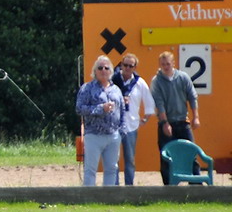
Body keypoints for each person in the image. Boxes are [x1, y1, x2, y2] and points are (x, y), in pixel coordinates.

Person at [150, 51, 201, 185]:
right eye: (163, 64)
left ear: (173, 63)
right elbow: (159, 103)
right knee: (167, 156)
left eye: (168, 64)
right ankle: (170, 188)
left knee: (191, 153)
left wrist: (196, 117)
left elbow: (192, 96)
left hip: (183, 121)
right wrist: (165, 123)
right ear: (159, 65)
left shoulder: (183, 77)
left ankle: (196, 186)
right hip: (167, 122)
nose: (166, 67)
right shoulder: (157, 81)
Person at [75, 55, 124, 186]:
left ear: (111, 71)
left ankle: (108, 199)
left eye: (106, 68)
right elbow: (79, 109)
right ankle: (89, 199)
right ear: (94, 71)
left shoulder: (116, 90)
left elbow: (122, 111)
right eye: (100, 68)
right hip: (94, 135)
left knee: (111, 169)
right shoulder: (87, 88)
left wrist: (121, 132)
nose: (103, 70)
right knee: (90, 169)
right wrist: (100, 108)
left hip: (113, 135)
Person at [110, 53, 155, 185]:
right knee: (114, 159)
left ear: (135, 67)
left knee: (129, 159)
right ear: (121, 65)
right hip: (114, 125)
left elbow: (149, 103)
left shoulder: (139, 83)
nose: (128, 68)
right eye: (125, 65)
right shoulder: (113, 80)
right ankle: (115, 186)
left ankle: (129, 186)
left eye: (131, 66)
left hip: (131, 126)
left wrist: (144, 120)